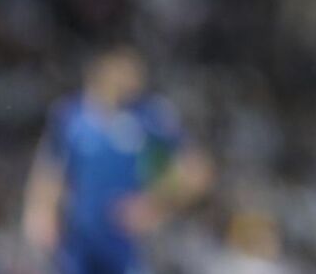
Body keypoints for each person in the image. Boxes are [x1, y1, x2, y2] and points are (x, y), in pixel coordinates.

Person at [23, 45, 211, 274]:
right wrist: (41, 211)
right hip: (79, 237)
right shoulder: (70, 116)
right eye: (126, 69)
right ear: (103, 69)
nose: (135, 78)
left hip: (128, 240)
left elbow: (196, 169)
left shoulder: (149, 115)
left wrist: (155, 204)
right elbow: (50, 168)